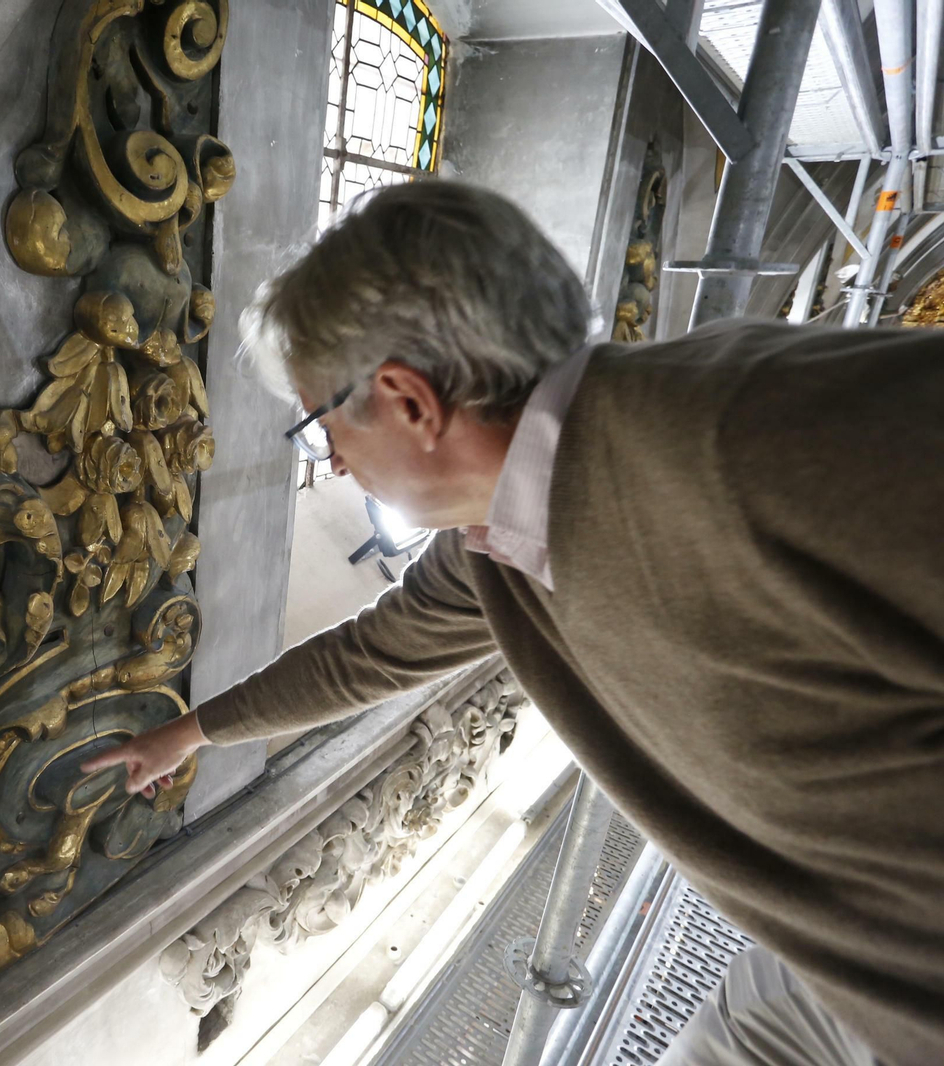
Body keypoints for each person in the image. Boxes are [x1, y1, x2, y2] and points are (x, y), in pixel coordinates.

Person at [81, 181, 944, 1066]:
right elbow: (367, 656)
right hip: (837, 970)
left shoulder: (744, 426)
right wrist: (189, 733)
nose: (331, 459)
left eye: (319, 425)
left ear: (409, 401)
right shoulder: (491, 549)